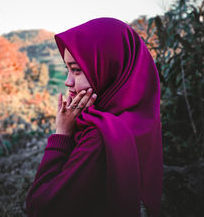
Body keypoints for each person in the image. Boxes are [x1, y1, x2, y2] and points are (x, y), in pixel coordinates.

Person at [25, 17, 163, 217]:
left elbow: (39, 208)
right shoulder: (139, 118)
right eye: (67, 69)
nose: (68, 81)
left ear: (109, 68)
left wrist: (62, 135)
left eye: (77, 70)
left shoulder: (100, 138)